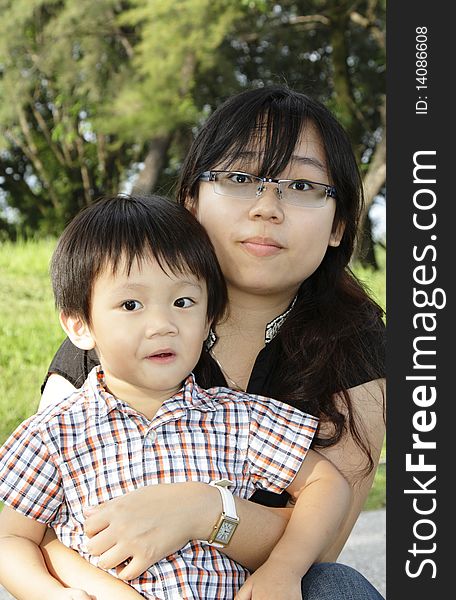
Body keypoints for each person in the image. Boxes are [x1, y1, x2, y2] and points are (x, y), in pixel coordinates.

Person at [40, 85, 386, 599]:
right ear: (191, 199)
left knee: (335, 585)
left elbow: (321, 543)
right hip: (114, 589)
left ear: (339, 224)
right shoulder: (118, 331)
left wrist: (205, 511)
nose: (268, 207)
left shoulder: (357, 342)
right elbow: (43, 535)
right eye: (241, 177)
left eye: (302, 185)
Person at [0, 194, 351, 600]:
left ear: (208, 319)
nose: (162, 324)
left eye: (183, 302)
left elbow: (327, 484)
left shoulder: (236, 418)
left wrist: (284, 569)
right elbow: (12, 539)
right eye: (131, 304)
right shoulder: (54, 432)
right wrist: (52, 595)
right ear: (79, 325)